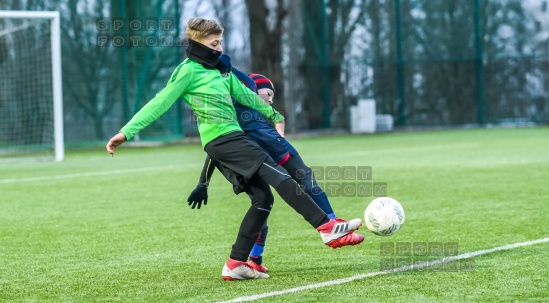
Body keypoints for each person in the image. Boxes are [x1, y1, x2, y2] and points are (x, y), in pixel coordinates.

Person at [106, 17, 364, 281]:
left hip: (228, 142)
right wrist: (126, 132)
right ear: (197, 43)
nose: (219, 48)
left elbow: (244, 94)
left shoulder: (220, 69)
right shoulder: (187, 71)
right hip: (223, 141)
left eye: (221, 42)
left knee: (263, 199)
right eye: (214, 43)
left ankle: (236, 263)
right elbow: (159, 103)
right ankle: (327, 227)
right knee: (280, 176)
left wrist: (274, 115)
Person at [187, 65, 359, 273]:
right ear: (250, 89)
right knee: (281, 190)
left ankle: (251, 260)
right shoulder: (238, 106)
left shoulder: (249, 117)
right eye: (267, 93)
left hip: (256, 154)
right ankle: (330, 227)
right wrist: (202, 183)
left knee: (266, 200)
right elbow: (219, 146)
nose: (270, 99)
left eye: (272, 96)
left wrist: (203, 183)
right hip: (253, 153)